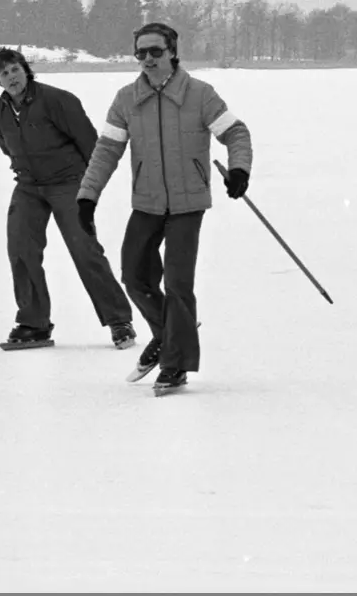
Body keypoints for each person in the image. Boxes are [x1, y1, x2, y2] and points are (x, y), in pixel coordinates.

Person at [75, 23, 252, 392]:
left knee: (177, 282)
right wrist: (88, 196)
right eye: (141, 53)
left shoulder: (200, 95)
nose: (148, 60)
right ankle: (170, 333)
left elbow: (236, 133)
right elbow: (107, 151)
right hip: (147, 203)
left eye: (155, 51)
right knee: (134, 276)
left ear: (172, 51)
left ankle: (176, 363)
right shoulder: (126, 99)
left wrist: (239, 169)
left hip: (188, 205)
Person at [0, 48, 135, 348]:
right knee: (20, 248)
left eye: (15, 69)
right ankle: (34, 323)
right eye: (4, 74)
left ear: (26, 70)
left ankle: (120, 322)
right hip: (28, 186)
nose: (11, 77)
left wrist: (88, 188)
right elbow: (7, 147)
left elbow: (90, 143)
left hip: (68, 182)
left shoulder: (57, 100)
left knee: (84, 249)